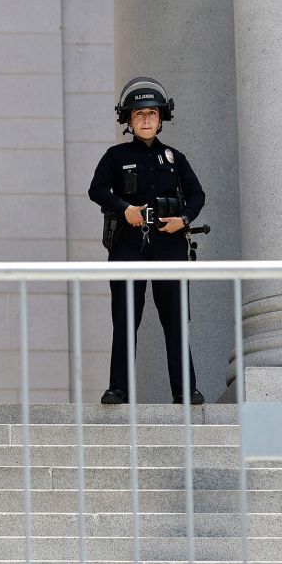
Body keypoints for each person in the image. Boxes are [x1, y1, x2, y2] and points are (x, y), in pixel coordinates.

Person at [89, 76, 205, 406]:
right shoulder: (115, 156)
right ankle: (119, 389)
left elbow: (197, 195)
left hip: (170, 244)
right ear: (128, 119)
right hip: (129, 243)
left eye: (152, 114)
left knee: (175, 318)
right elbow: (96, 189)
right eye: (139, 114)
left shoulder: (175, 158)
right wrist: (123, 209)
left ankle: (185, 390)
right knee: (126, 318)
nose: (145, 120)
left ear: (161, 119)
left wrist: (183, 219)